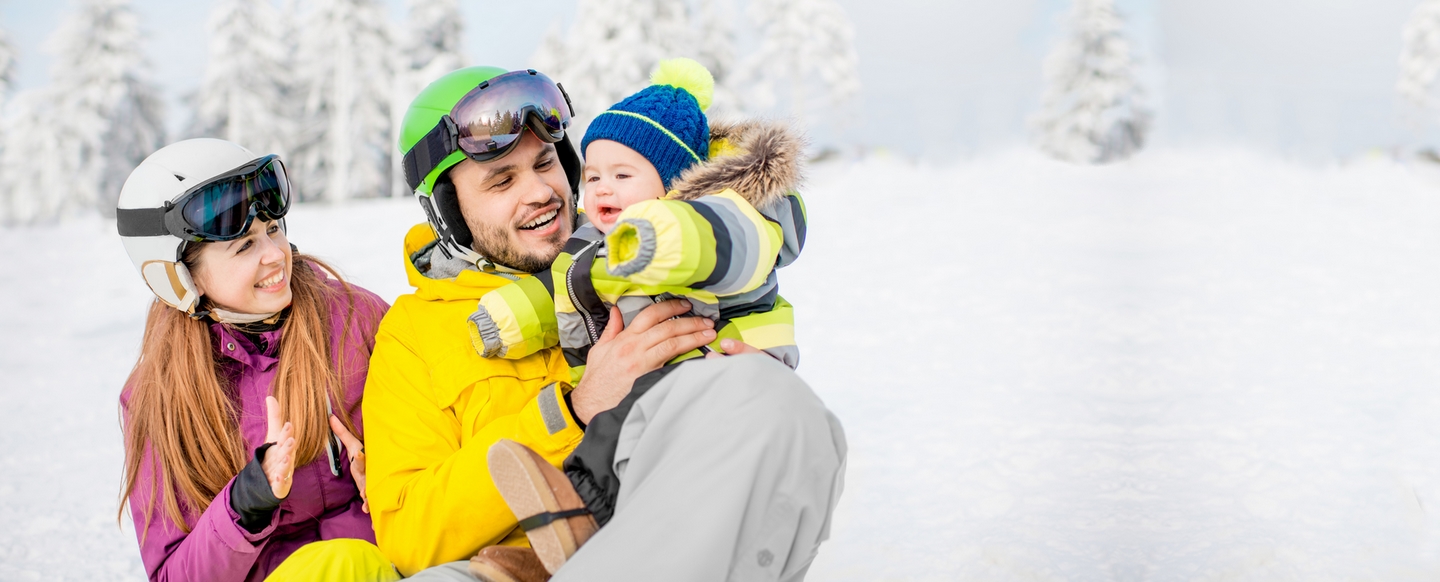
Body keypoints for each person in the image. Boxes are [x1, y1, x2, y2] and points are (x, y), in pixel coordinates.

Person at [365, 66, 845, 582]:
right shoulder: (413, 335)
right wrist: (573, 409)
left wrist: (744, 385)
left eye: (546, 163)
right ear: (447, 211)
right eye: (502, 180)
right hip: (503, 570)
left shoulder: (640, 256)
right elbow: (411, 536)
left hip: (666, 535)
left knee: (789, 411)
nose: (541, 192)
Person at [115, 139, 396, 582]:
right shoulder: (161, 398)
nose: (274, 254)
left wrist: (390, 483)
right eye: (244, 246)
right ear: (180, 275)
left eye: (273, 229)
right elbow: (173, 574)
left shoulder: (356, 320)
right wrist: (247, 503)